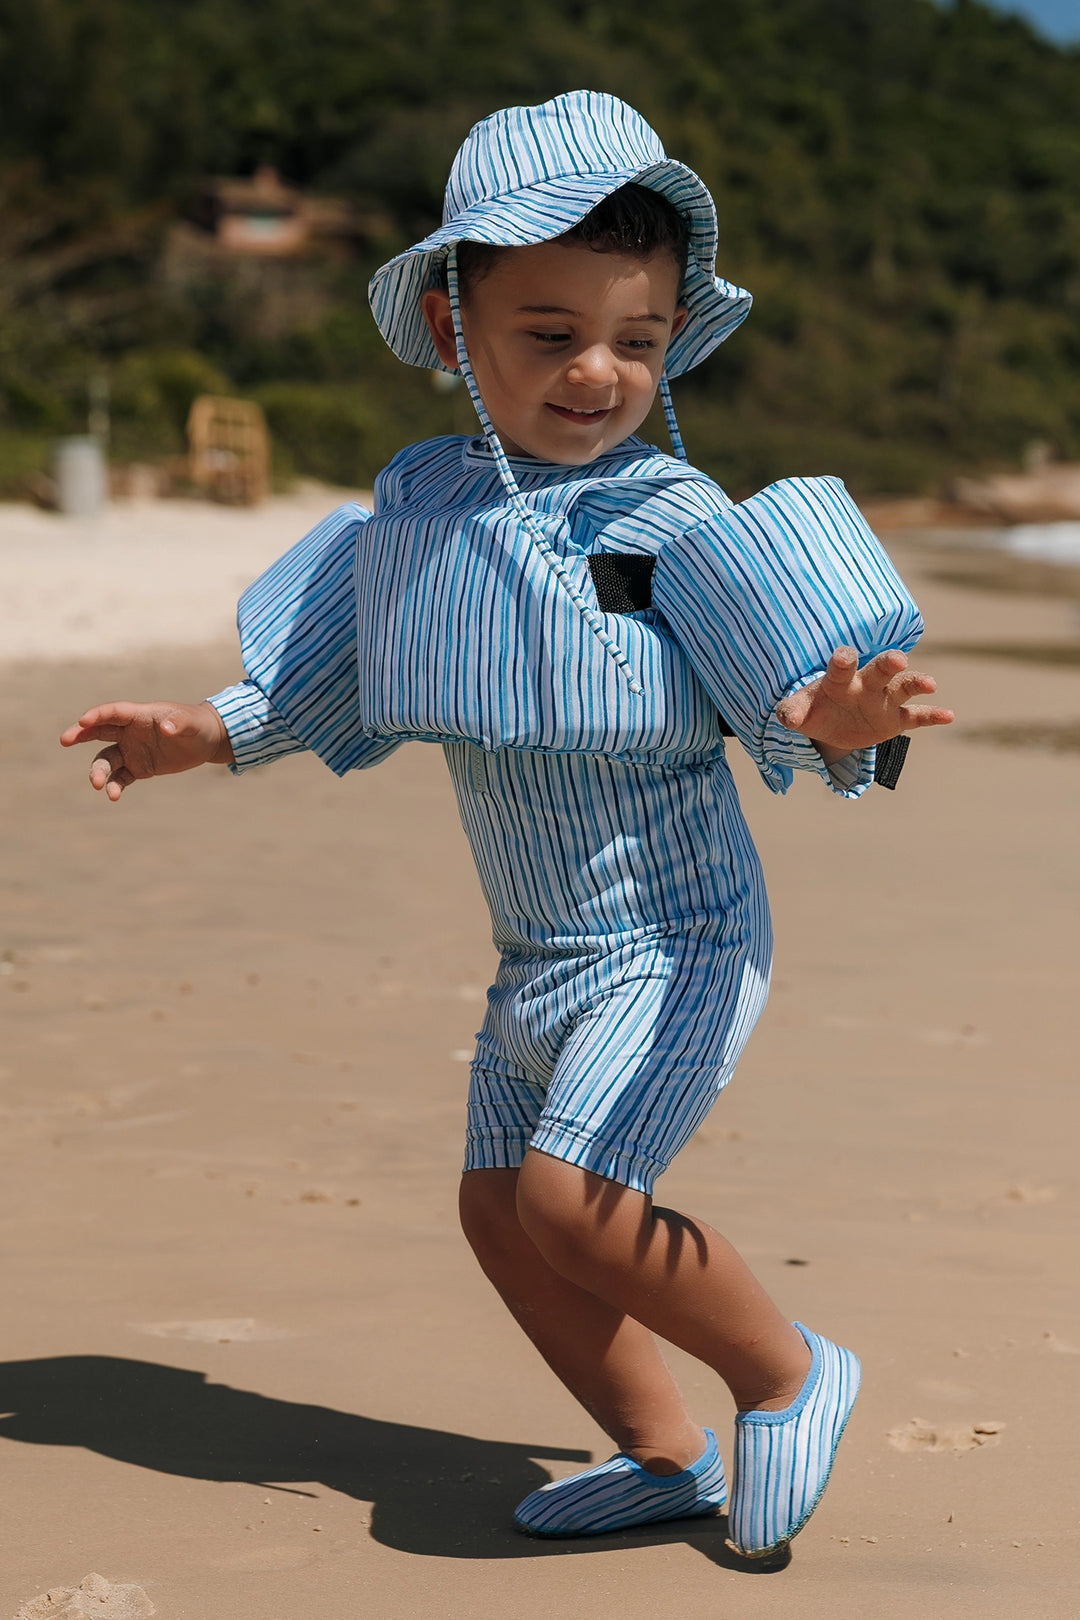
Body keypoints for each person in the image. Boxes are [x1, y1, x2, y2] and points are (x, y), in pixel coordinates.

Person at [61, 91, 953, 1560]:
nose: (599, 371)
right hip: (536, 954)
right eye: (551, 333)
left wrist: (840, 715)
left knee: (577, 1198)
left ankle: (788, 1374)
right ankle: (664, 1455)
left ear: (673, 340)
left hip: (674, 937)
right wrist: (199, 734)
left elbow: (784, 683)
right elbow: (323, 675)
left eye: (638, 339)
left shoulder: (669, 519)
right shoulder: (423, 511)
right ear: (451, 327)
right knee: (499, 1213)